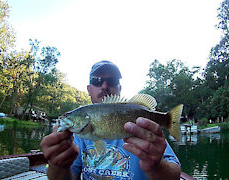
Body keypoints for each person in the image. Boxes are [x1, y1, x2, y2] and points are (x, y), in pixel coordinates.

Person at [40, 60, 181, 180]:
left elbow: (175, 173)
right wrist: (57, 164)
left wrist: (157, 166)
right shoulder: (75, 137)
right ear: (89, 89)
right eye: (97, 81)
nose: (104, 86)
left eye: (112, 81)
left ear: (120, 88)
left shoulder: (148, 133)